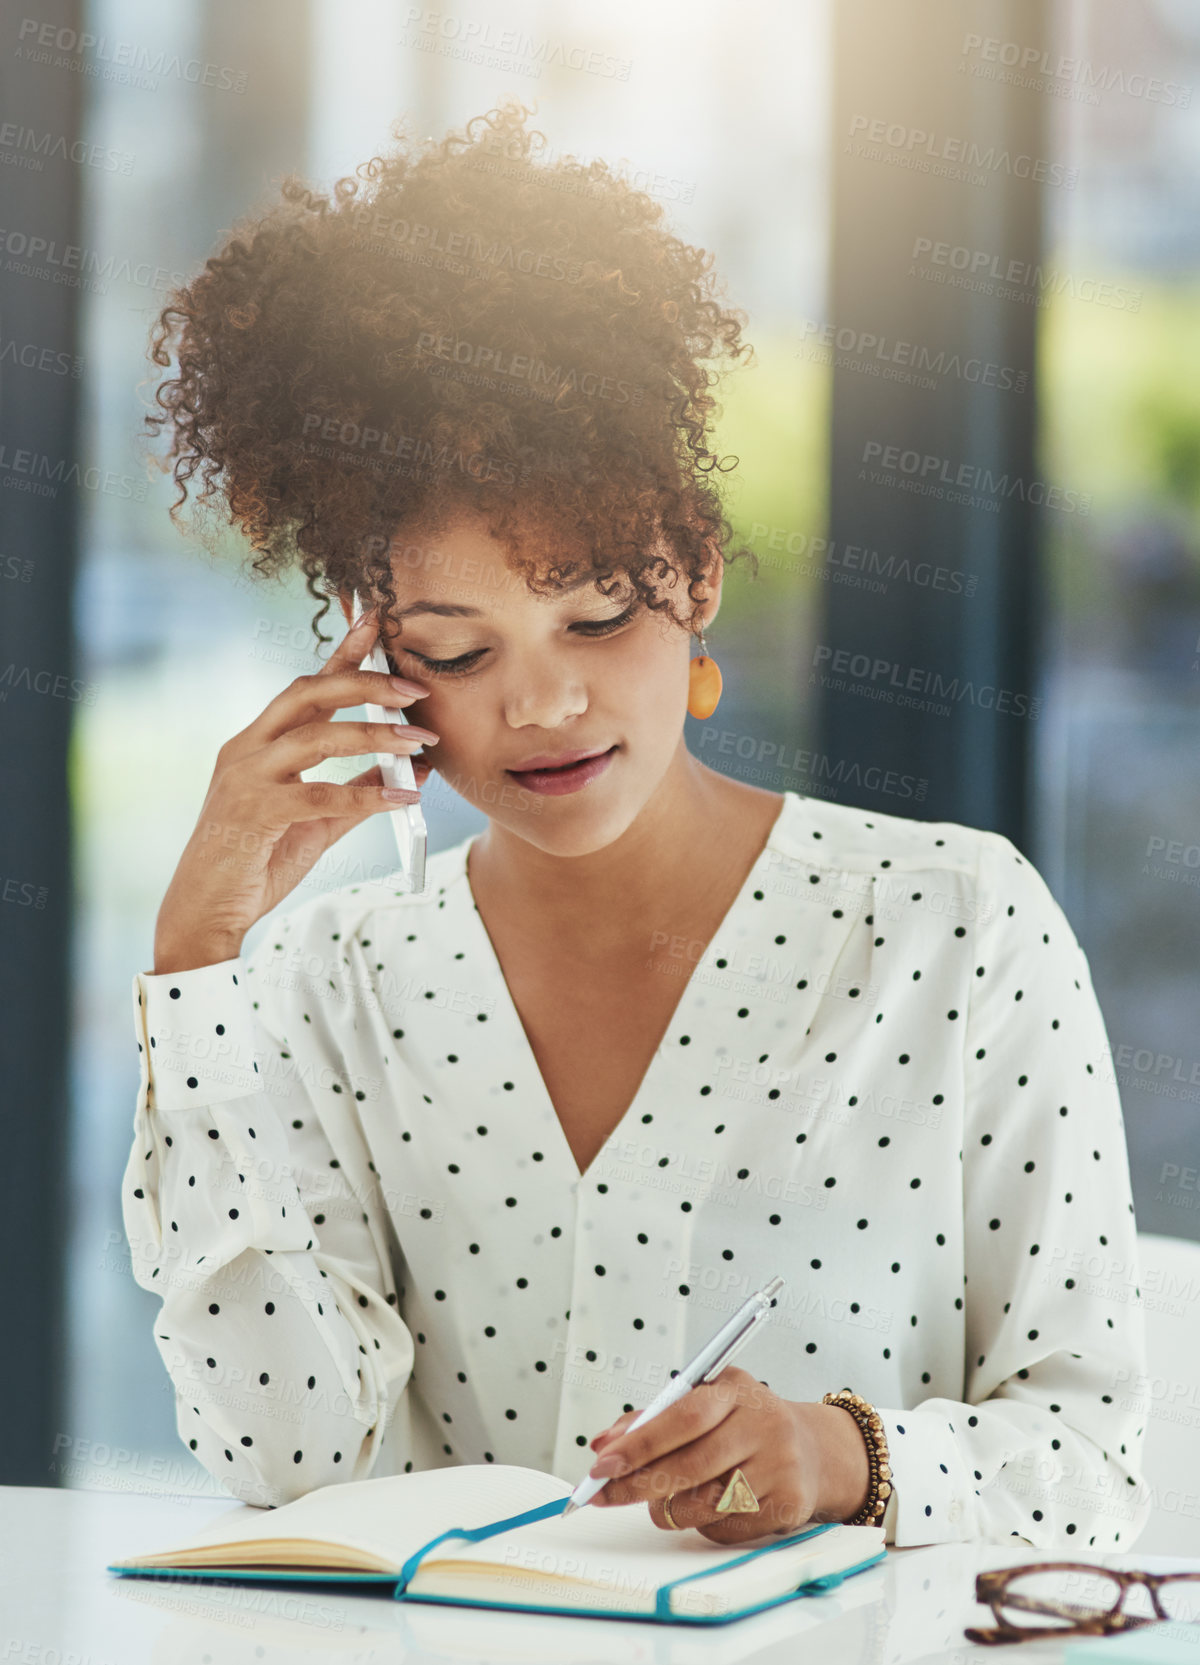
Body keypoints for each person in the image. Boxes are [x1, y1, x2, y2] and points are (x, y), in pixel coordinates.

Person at [123, 99, 1151, 1551]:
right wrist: (202, 952)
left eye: (596, 612)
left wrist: (845, 1452)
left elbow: (1099, 1456)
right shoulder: (329, 985)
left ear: (699, 574)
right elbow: (282, 1456)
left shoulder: (956, 926)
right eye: (458, 648)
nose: (542, 703)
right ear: (372, 654)